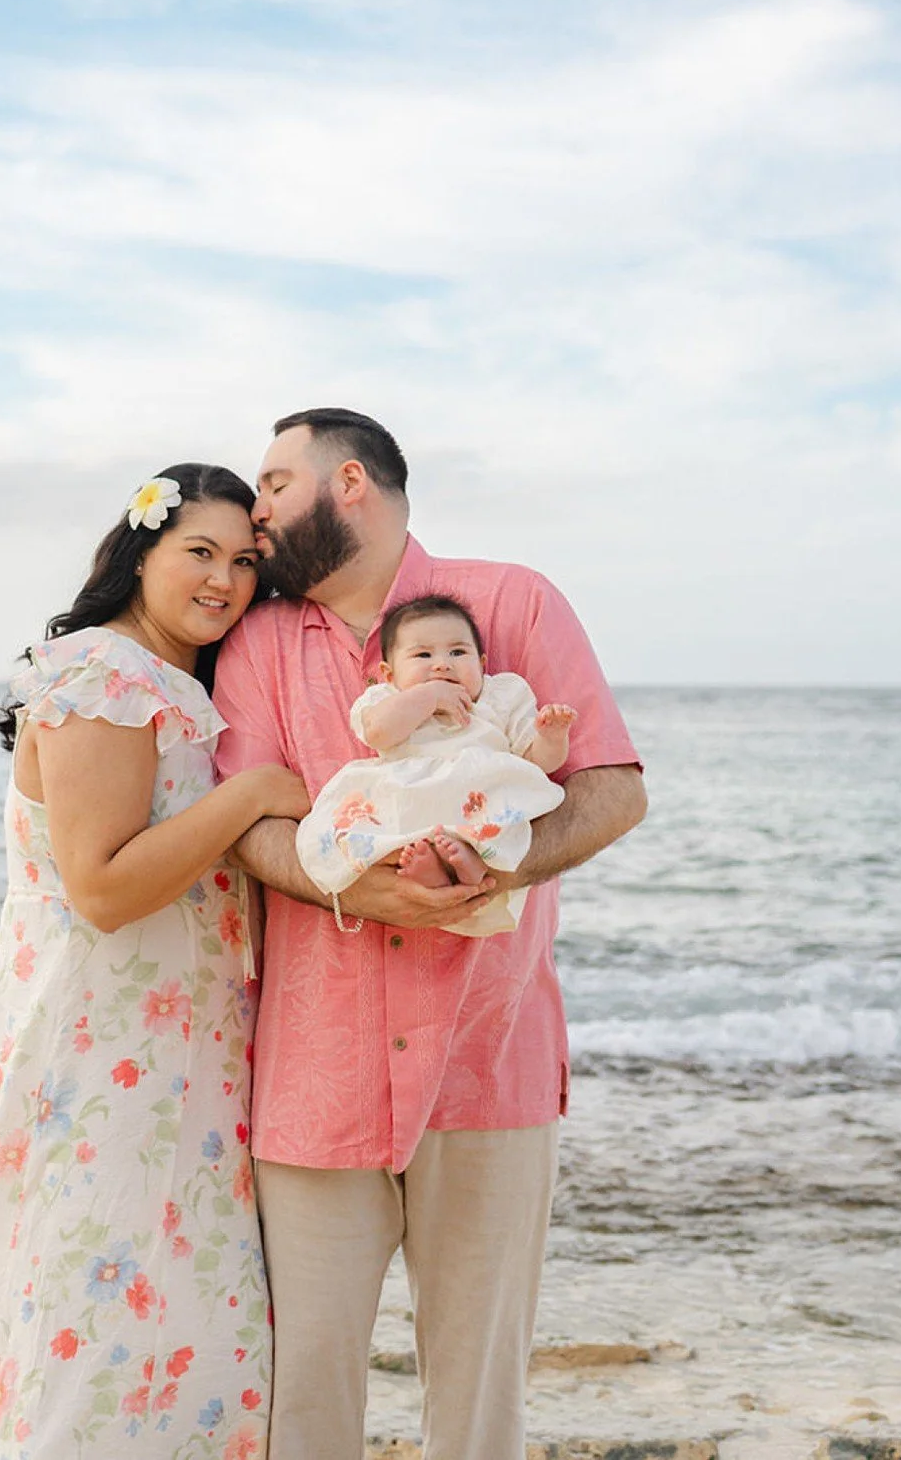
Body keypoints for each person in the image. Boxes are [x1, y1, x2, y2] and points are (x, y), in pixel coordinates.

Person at [213, 410, 646, 1460]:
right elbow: (251, 825)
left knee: (480, 1402)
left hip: (488, 1060)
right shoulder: (259, 640)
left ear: (347, 480)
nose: (255, 508)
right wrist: (361, 888)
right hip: (316, 1076)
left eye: (274, 482)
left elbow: (611, 790)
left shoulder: (513, 602)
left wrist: (495, 863)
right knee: (303, 1397)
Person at [0, 463, 308, 1460]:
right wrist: (249, 797)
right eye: (199, 550)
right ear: (138, 551)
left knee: (162, 1300)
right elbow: (103, 888)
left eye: (245, 560)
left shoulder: (166, 681)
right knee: (94, 1303)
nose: (226, 579)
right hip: (101, 1048)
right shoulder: (104, 673)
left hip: (174, 1050)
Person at [294, 592, 574, 936]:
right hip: (411, 793)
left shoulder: (499, 698)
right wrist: (428, 697)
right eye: (423, 655)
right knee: (357, 823)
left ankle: (473, 864)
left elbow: (536, 764)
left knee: (505, 811)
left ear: (483, 664)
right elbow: (379, 733)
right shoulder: (389, 699)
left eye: (458, 652)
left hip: (478, 793)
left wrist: (552, 737)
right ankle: (429, 869)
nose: (442, 664)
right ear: (389, 673)